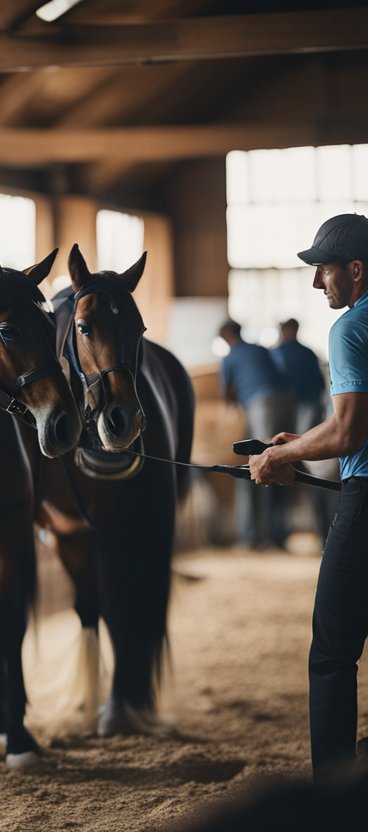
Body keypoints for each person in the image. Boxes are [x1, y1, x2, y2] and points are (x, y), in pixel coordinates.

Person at [249, 212, 368, 779]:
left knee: (332, 654)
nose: (318, 282)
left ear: (355, 269)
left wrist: (280, 457)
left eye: (322, 269)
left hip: (365, 502)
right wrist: (304, 443)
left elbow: (349, 433)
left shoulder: (350, 329)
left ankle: (334, 788)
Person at [218, 319, 295, 549]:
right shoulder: (260, 349)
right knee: (282, 463)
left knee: (263, 466)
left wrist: (232, 415)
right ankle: (278, 534)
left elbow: (228, 395)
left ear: (225, 335)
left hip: (262, 405)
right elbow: (281, 373)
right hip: (287, 401)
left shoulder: (230, 357)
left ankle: (256, 537)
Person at [272, 318, 336, 532]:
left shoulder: (278, 353)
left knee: (287, 461)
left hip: (292, 411)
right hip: (306, 411)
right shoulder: (308, 353)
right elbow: (321, 386)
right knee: (309, 464)